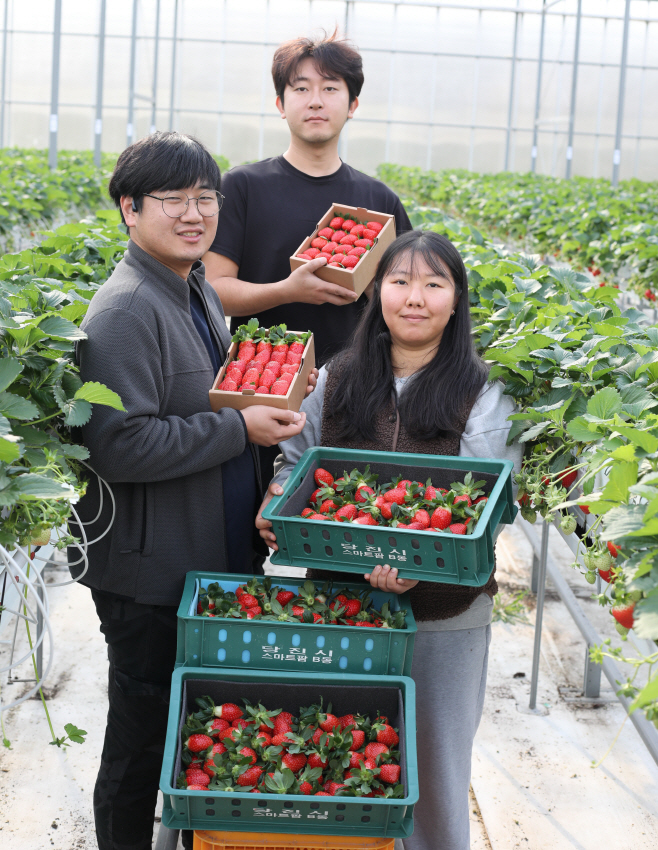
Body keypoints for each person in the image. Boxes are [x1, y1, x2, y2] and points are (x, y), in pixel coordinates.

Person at [69, 131, 312, 850]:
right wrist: (243, 433)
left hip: (203, 554)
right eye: (172, 199)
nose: (193, 213)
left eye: (205, 196)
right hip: (150, 576)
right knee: (140, 742)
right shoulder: (125, 312)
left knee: (190, 727)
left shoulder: (194, 285)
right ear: (129, 209)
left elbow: (211, 396)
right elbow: (120, 444)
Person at [256, 229, 523, 850]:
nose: (415, 298)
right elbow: (296, 464)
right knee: (343, 760)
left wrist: (420, 565)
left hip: (444, 613)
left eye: (434, 284)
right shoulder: (338, 377)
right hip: (345, 608)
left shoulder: (482, 390)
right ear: (376, 293)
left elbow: (488, 508)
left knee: (433, 770)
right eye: (400, 282)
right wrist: (276, 498)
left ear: (456, 301)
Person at [202, 29, 412, 483]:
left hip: (357, 396)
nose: (315, 101)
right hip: (257, 388)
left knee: (341, 532)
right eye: (301, 89)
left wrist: (376, 290)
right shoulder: (241, 188)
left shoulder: (378, 202)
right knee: (249, 535)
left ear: (352, 104)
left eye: (330, 88)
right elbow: (215, 291)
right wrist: (287, 291)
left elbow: (403, 293)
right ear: (280, 103)